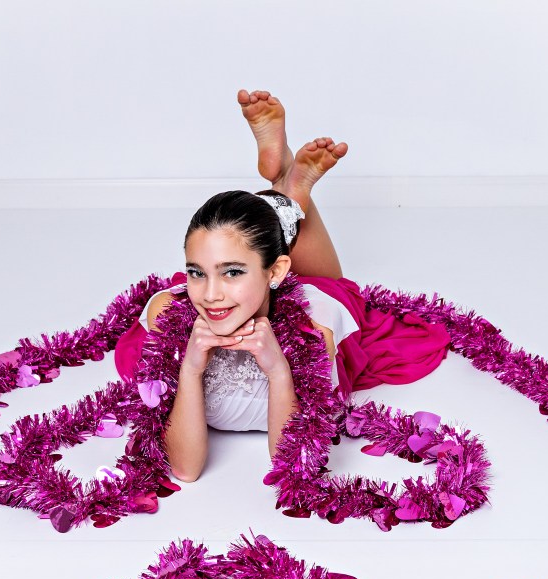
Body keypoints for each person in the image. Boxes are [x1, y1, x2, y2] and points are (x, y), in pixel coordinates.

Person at [114, 89, 451, 482]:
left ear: (277, 274)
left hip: (289, 311)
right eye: (196, 271)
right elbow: (185, 469)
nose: (209, 294)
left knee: (332, 287)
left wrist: (278, 369)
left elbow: (293, 464)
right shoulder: (170, 318)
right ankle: (288, 191)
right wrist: (189, 367)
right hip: (249, 297)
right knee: (273, 267)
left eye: (232, 272)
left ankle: (288, 188)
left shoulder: (313, 332)